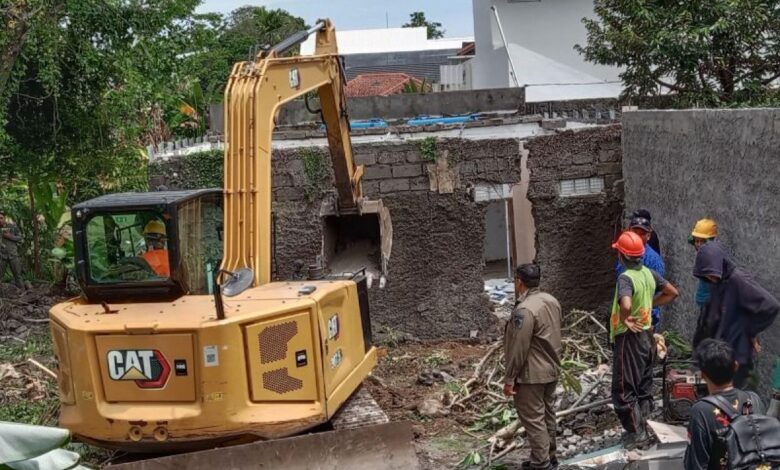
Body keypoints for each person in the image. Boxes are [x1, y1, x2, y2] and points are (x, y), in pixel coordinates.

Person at [610, 231, 678, 448]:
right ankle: (644, 428)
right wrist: (651, 303)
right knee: (643, 386)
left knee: (623, 390)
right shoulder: (649, 273)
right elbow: (672, 292)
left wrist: (626, 318)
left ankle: (636, 433)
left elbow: (626, 304)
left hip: (629, 338)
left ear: (621, 254)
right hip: (647, 336)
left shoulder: (626, 277)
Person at [692, 221, 779, 390]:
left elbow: (772, 306)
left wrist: (749, 330)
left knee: (733, 404)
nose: (710, 278)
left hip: (736, 358)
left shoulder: (738, 280)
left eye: (711, 275)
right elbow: (711, 318)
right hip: (719, 355)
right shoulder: (718, 282)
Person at [503, 264, 561, 470]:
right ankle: (550, 456)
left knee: (534, 418)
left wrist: (510, 378)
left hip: (532, 374)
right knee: (547, 413)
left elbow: (519, 347)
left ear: (519, 281)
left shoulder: (524, 310)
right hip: (552, 368)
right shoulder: (551, 301)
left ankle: (541, 462)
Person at [684, 339, 764, 470]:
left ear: (703, 375)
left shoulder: (701, 411)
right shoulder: (753, 399)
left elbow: (695, 465)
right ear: (736, 366)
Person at [616, 216, 665, 328]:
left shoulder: (653, 260)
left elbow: (657, 291)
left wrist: (646, 306)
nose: (637, 236)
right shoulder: (624, 252)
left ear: (648, 236)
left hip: (641, 318)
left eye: (642, 233)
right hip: (625, 316)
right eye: (635, 231)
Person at [689, 218, 721, 348]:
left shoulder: (713, 255)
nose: (698, 245)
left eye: (702, 241)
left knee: (704, 341)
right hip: (706, 304)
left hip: (713, 306)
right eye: (696, 241)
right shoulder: (706, 252)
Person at [0, 211, 26, 290]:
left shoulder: (12, 227)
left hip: (13, 255)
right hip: (1, 256)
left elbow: (20, 237)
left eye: (1, 218)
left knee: (18, 276)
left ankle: (23, 292)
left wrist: (9, 236)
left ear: (4, 218)